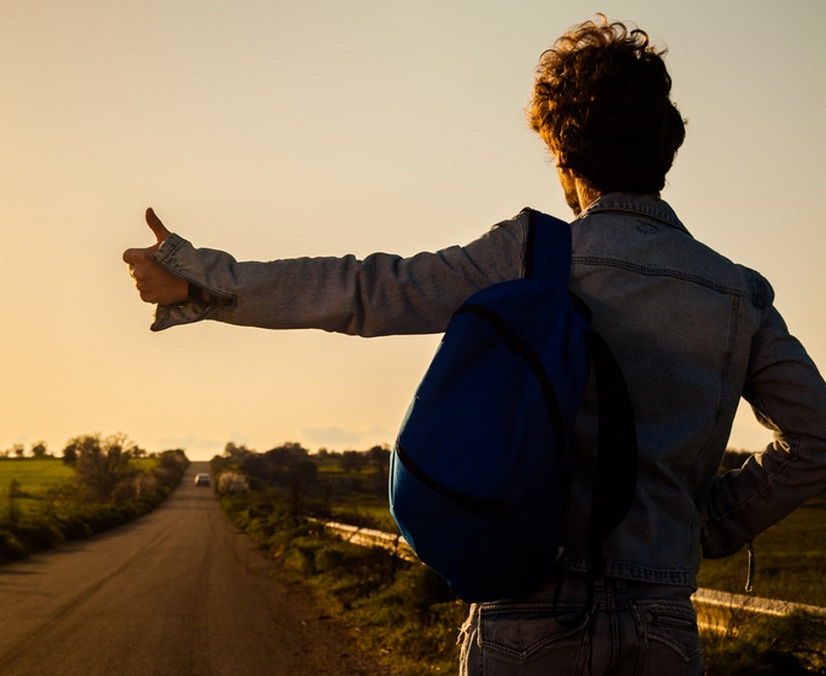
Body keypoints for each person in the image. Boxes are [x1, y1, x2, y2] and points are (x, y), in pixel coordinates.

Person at [122, 15, 826, 675]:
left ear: (562, 153)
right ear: (666, 150)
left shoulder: (531, 253)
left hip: (527, 615)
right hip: (664, 624)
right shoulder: (738, 292)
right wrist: (711, 522)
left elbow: (366, 290)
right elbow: (816, 437)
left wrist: (201, 281)